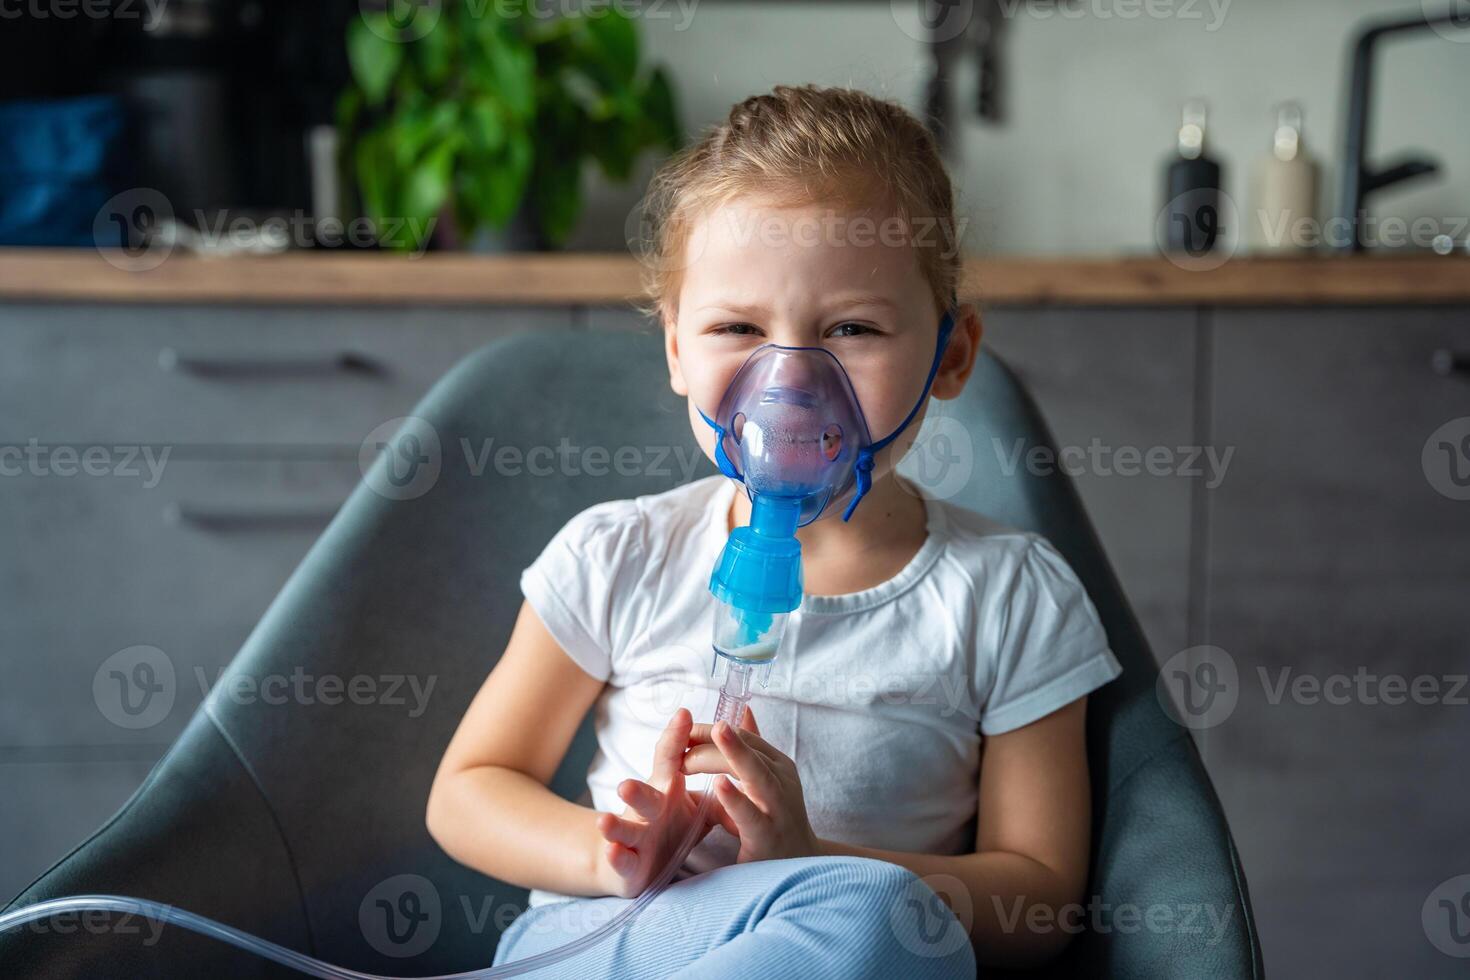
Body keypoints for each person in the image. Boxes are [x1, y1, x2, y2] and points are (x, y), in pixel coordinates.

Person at [426, 83, 1122, 979]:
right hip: (610, 939)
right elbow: (469, 792)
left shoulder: (1010, 595)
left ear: (952, 355)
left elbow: (1038, 900)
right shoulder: (621, 557)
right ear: (676, 347)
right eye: (738, 327)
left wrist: (811, 861)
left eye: (853, 328)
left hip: (840, 945)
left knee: (877, 921)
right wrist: (608, 854)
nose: (789, 382)